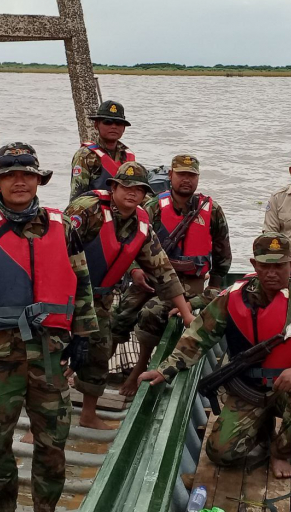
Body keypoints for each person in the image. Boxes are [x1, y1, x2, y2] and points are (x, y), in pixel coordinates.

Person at [0, 143, 99, 512]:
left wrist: (84, 336)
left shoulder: (63, 228)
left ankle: (45, 508)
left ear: (39, 180)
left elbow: (82, 284)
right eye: (10, 175)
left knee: (53, 444)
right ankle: (6, 506)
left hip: (50, 355)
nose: (20, 182)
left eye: (28, 174)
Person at [138, 233, 291, 479]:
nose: (272, 272)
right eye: (265, 265)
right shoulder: (234, 296)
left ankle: (281, 452)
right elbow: (199, 336)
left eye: (279, 266)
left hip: (290, 388)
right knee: (220, 453)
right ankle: (261, 427)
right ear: (254, 264)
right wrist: (165, 369)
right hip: (249, 387)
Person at [66, 161, 194, 429]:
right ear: (113, 188)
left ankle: (88, 414)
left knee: (99, 354)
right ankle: (41, 424)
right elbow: (55, 250)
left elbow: (163, 270)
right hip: (63, 296)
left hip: (99, 300)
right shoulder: (86, 210)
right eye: (126, 187)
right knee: (54, 355)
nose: (132, 193)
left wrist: (186, 314)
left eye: (138, 189)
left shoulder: (141, 225)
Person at [112, 154, 232, 396]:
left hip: (189, 282)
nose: (186, 180)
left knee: (152, 312)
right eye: (181, 174)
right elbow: (129, 241)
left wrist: (214, 286)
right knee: (119, 315)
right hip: (152, 277)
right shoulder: (153, 207)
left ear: (198, 178)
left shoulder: (212, 211)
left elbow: (223, 253)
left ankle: (140, 366)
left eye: (191, 175)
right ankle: (90, 371)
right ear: (171, 175)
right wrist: (134, 269)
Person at [69, 100, 135, 202]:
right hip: (95, 209)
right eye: (107, 122)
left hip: (124, 209)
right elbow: (77, 198)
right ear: (96, 125)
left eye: (118, 123)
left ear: (123, 128)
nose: (113, 126)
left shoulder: (127, 155)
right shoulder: (85, 155)